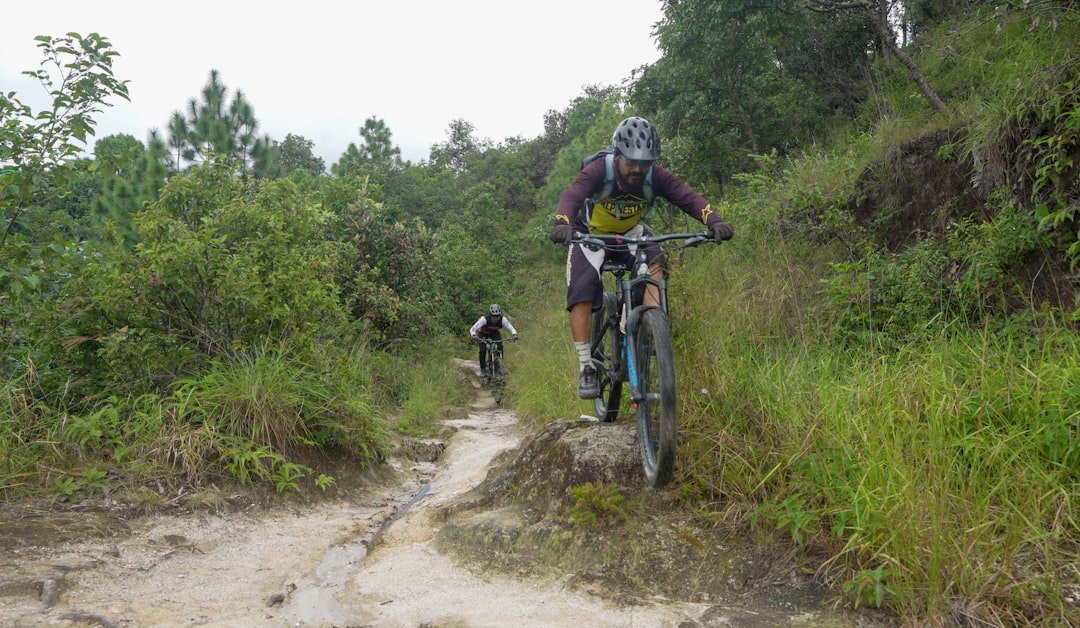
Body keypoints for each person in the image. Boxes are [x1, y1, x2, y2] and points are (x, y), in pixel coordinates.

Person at [548, 116, 734, 399]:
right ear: (618, 155)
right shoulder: (599, 171)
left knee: (656, 265)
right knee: (582, 292)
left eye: (645, 163)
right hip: (590, 235)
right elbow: (572, 196)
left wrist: (715, 221)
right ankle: (587, 366)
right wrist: (562, 223)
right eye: (631, 162)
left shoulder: (656, 176)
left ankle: (651, 329)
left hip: (631, 234)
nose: (638, 169)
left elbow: (688, 197)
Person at [469, 304, 519, 381]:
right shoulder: (484, 319)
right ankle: (483, 370)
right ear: (490, 315)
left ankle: (498, 365)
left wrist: (514, 335)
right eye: (494, 316)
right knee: (482, 350)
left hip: (494, 332)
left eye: (497, 316)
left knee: (500, 345)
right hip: (483, 333)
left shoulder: (503, 320)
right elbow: (473, 328)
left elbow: (511, 328)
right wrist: (474, 336)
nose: (496, 318)